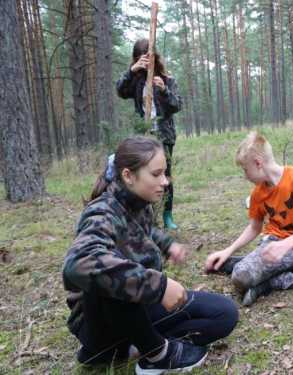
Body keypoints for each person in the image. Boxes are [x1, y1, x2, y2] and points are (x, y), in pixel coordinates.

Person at [62, 137, 238, 374]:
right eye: (156, 174)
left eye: (164, 173)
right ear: (128, 175)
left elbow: (140, 230)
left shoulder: (138, 203)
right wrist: (159, 286)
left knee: (224, 314)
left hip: (138, 308)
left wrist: (167, 245)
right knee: (115, 275)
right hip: (100, 322)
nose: (164, 182)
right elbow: (78, 263)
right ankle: (156, 353)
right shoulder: (101, 213)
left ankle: (133, 345)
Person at [205, 132, 293, 306]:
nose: (245, 176)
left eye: (245, 170)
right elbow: (254, 227)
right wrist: (228, 250)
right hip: (273, 246)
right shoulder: (257, 193)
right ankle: (241, 263)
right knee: (240, 277)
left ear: (258, 163)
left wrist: (285, 245)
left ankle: (268, 283)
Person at [117, 38, 182, 230]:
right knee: (143, 176)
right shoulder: (135, 81)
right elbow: (120, 91)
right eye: (141, 58)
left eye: (149, 57)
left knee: (165, 176)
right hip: (143, 136)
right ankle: (146, 215)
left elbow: (177, 105)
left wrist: (164, 90)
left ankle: (167, 215)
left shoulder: (168, 80)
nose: (146, 62)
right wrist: (132, 70)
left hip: (164, 136)